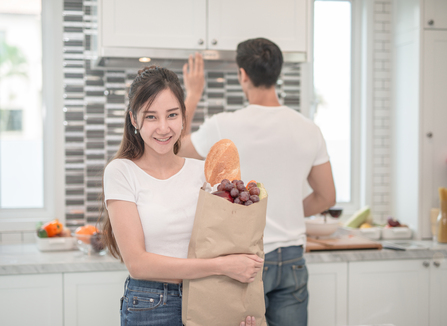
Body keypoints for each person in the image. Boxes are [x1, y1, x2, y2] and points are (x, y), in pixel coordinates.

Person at [178, 38, 336, 326]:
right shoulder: (309, 129)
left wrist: (193, 93)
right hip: (291, 258)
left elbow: (175, 148)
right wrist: (284, 212)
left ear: (242, 75)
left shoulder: (223, 125)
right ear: (278, 73)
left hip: (243, 260)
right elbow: (326, 197)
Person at [100, 65, 263, 326]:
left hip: (208, 296)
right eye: (151, 117)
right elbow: (138, 264)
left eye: (172, 115)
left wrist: (238, 305)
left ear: (183, 117)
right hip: (151, 305)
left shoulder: (204, 173)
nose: (163, 128)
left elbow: (225, 244)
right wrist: (223, 267)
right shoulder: (121, 172)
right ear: (133, 119)